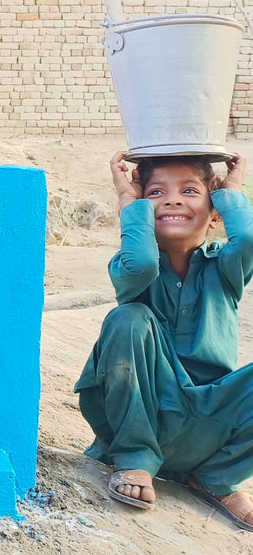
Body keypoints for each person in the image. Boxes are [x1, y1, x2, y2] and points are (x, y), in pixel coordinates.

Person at [75, 150, 253, 529]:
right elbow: (141, 263)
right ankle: (135, 459)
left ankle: (217, 477)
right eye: (156, 193)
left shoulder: (225, 268)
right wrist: (128, 200)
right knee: (128, 317)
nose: (172, 199)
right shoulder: (129, 265)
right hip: (141, 415)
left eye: (189, 190)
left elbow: (248, 238)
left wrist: (231, 188)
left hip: (210, 418)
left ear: (215, 211)